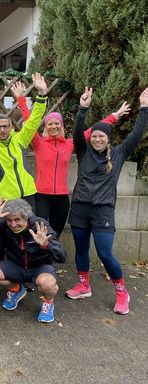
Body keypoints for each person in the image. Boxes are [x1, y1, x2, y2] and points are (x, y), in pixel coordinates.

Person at [65, 87, 148, 315]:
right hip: (80, 208)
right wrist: (83, 108)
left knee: (104, 253)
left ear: (108, 139)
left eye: (102, 136)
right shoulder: (83, 151)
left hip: (103, 211)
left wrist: (144, 109)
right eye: (95, 136)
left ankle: (122, 292)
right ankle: (84, 285)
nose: (98, 138)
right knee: (81, 250)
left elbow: (136, 134)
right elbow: (77, 132)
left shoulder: (119, 153)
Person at [14, 83, 125, 238]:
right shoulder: (38, 142)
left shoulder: (70, 144)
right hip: (42, 196)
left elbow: (93, 130)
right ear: (45, 127)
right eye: (50, 124)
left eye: (57, 124)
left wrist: (114, 116)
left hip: (62, 198)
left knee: (56, 233)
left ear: (62, 126)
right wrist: (21, 99)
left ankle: (51, 260)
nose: (53, 126)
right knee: (39, 230)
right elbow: (29, 120)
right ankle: (38, 260)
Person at [0, 199, 66, 323]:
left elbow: (62, 256)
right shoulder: (4, 224)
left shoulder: (40, 225)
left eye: (17, 220)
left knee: (48, 284)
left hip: (39, 267)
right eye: (9, 220)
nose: (13, 224)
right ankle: (16, 289)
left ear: (26, 217)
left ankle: (48, 302)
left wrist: (46, 245)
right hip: (16, 265)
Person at [0, 73, 49, 210]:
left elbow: (33, 121)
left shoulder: (19, 139)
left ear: (11, 127)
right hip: (4, 198)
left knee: (28, 230)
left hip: (28, 194)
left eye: (5, 126)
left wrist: (42, 94)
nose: (2, 130)